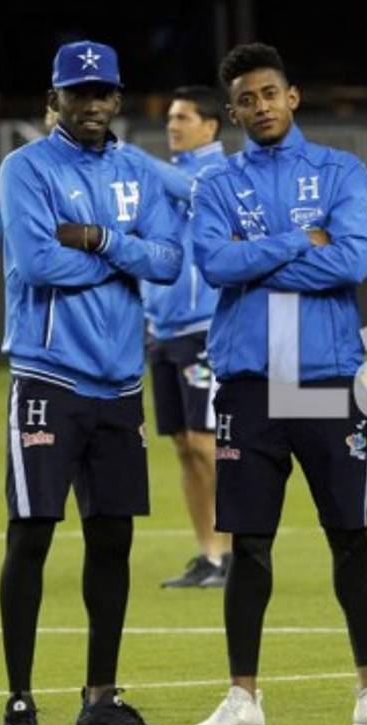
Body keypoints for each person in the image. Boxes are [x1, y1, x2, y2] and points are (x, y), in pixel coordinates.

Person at [187, 42, 367, 725]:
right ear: (233, 113)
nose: (260, 107)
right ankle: (242, 699)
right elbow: (214, 263)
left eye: (269, 93)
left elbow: (349, 262)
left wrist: (258, 256)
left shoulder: (343, 171)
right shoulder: (216, 185)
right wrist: (296, 240)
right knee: (249, 544)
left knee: (350, 536)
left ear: (293, 96)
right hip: (251, 385)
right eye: (246, 100)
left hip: (323, 380)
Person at [0, 40, 182, 725]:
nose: (94, 104)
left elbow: (167, 259)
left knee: (112, 541)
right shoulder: (25, 168)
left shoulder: (137, 169)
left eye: (104, 91)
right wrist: (124, 252)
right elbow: (39, 261)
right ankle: (19, 703)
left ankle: (99, 699)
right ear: (56, 99)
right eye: (80, 93)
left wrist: (101, 238)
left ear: (117, 95)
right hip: (49, 374)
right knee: (32, 535)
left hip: (117, 384)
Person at [144, 85, 231, 589]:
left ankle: (240, 549)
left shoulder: (216, 174)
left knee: (208, 442)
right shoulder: (167, 177)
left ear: (210, 126)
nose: (172, 125)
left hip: (205, 327)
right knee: (182, 443)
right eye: (170, 118)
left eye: (182, 117)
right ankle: (209, 555)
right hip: (163, 328)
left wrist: (118, 150)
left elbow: (184, 188)